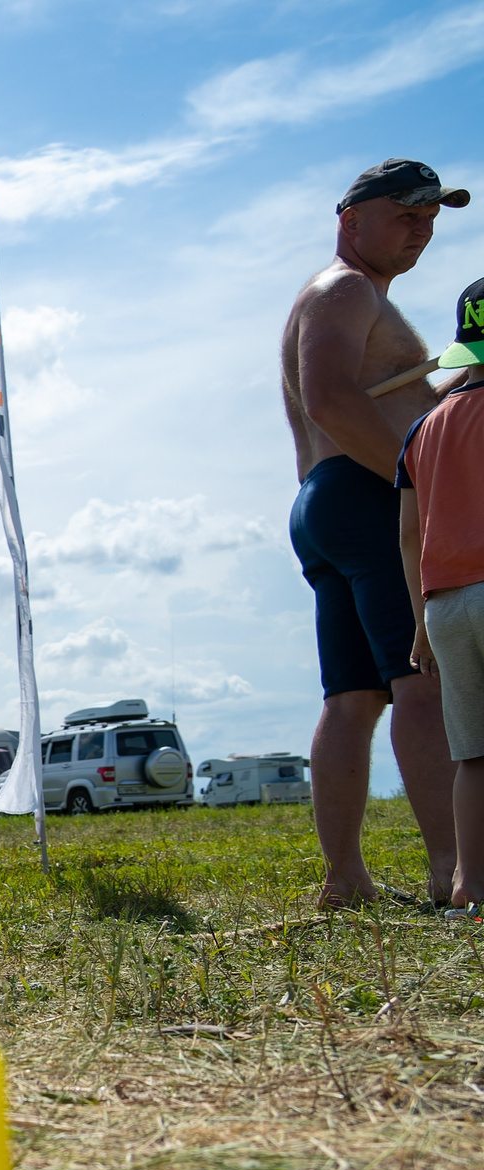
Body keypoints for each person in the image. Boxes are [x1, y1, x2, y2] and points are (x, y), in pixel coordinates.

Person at [281, 159, 470, 907]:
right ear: (350, 218)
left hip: (330, 501)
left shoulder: (351, 297)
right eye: (406, 213)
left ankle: (345, 878)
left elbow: (370, 394)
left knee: (352, 697)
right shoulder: (346, 289)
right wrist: (418, 475)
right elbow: (329, 397)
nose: (421, 229)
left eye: (430, 217)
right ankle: (454, 869)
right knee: (422, 680)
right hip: (366, 497)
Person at [398, 277, 484, 910]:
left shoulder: (424, 429)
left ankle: (468, 884)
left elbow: (409, 537)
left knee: (474, 754)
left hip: (445, 605)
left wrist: (422, 624)